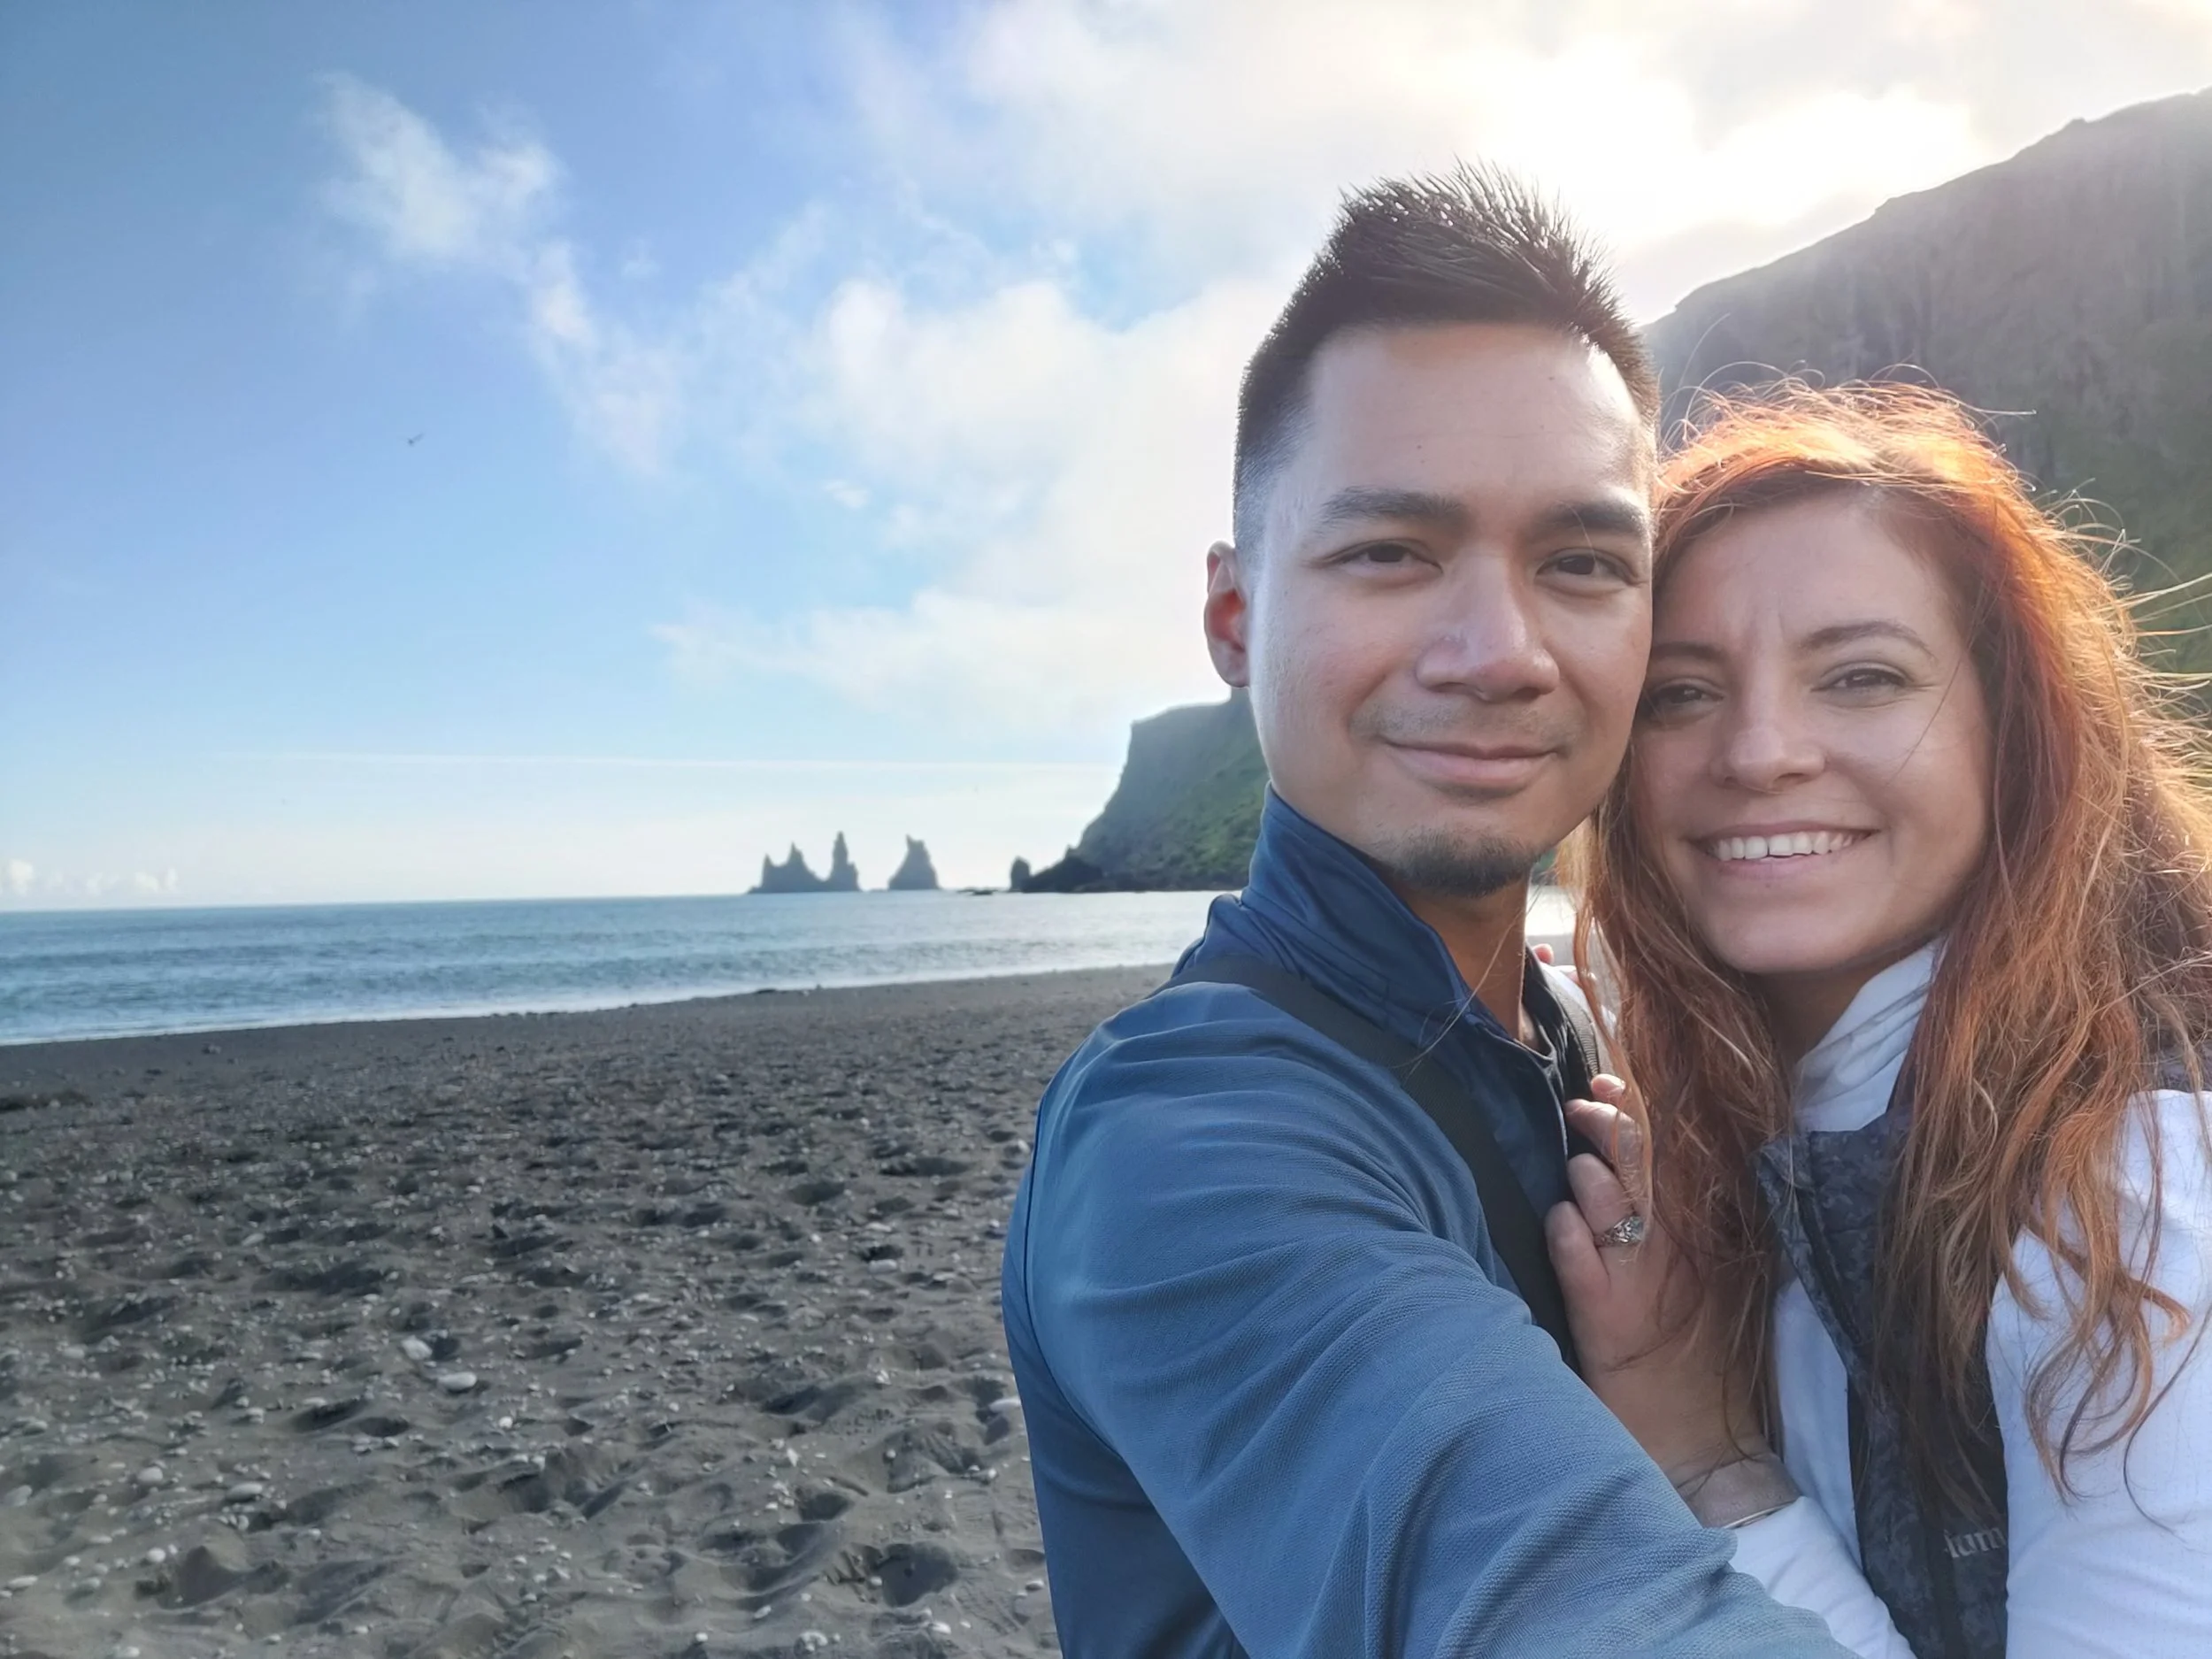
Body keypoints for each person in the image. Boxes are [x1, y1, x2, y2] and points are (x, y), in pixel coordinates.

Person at [1000, 168, 1851, 1656]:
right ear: (1234, 616)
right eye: (1392, 551)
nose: (1498, 651)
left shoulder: (1558, 1030)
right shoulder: (1186, 1143)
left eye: (1581, 563)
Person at [1549, 382, 2212, 1657]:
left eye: (1860, 676)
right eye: (1681, 693)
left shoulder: (2133, 1211)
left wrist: (1711, 1464)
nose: (1760, 749)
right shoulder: (1761, 1128)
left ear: (2013, 733)